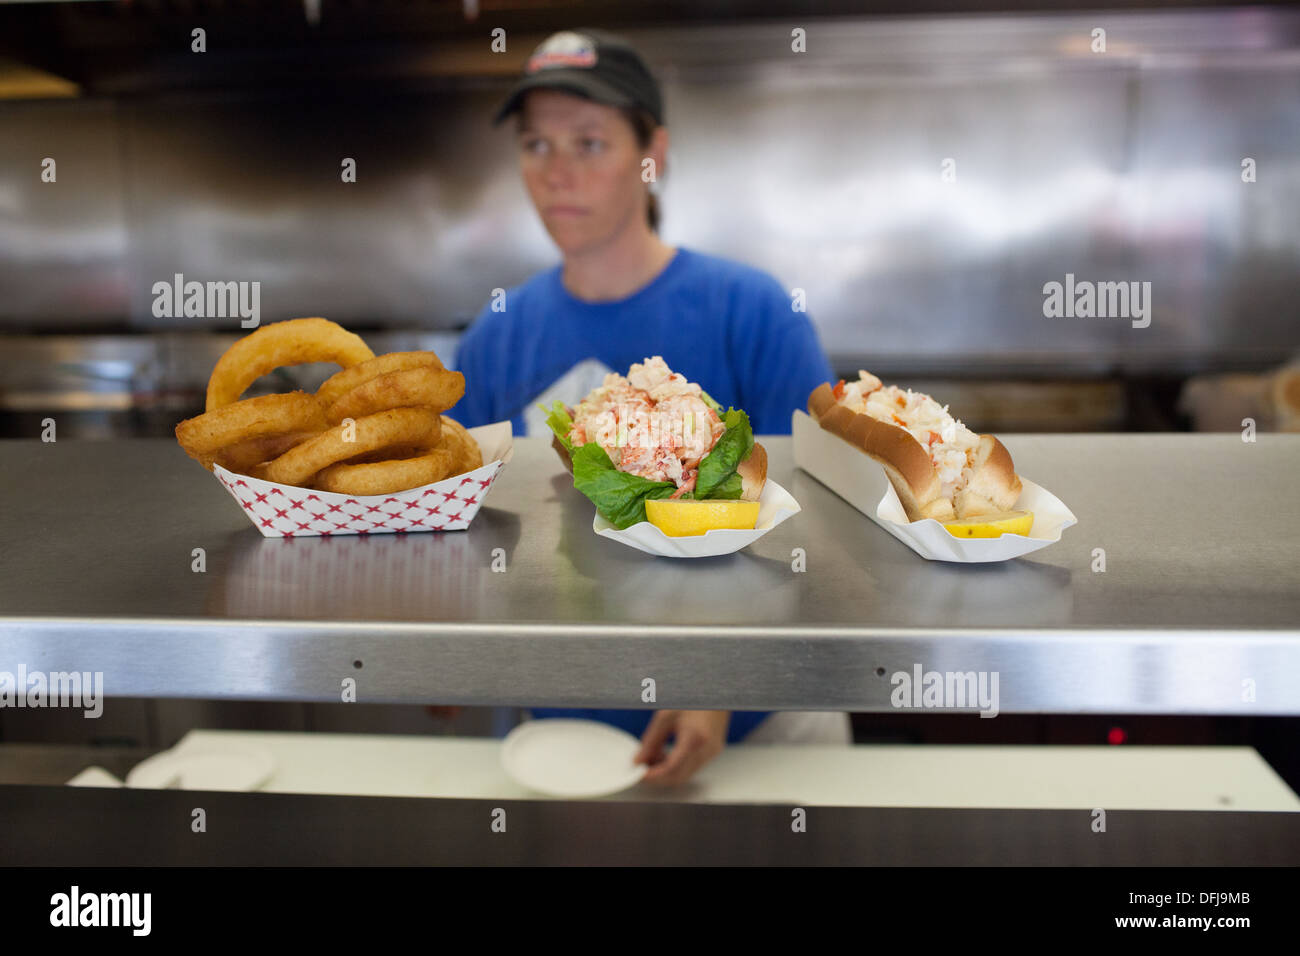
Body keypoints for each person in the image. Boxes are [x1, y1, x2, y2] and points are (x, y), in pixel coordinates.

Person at [450, 29, 849, 785]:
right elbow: (459, 522)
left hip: (762, 734)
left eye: (589, 143)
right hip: (562, 732)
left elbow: (821, 530)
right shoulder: (496, 335)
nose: (557, 173)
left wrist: (722, 678)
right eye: (536, 146)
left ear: (652, 155)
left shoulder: (754, 312)